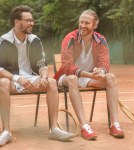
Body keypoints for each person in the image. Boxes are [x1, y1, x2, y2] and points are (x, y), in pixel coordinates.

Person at [0, 5, 74, 147]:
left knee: (52, 82)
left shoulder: (35, 40)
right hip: (12, 79)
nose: (32, 23)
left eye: (32, 20)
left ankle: (54, 129)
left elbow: (42, 65)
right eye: (28, 20)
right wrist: (17, 78)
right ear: (17, 22)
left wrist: (44, 77)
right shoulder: (3, 41)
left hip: (31, 78)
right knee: (2, 82)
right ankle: (6, 132)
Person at [54, 9, 124, 139]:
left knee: (111, 77)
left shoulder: (101, 40)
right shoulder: (70, 38)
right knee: (73, 78)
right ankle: (83, 125)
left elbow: (105, 63)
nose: (82, 26)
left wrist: (101, 71)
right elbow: (67, 66)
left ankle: (114, 124)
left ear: (94, 24)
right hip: (67, 77)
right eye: (81, 22)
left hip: (88, 77)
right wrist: (89, 74)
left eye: (86, 23)